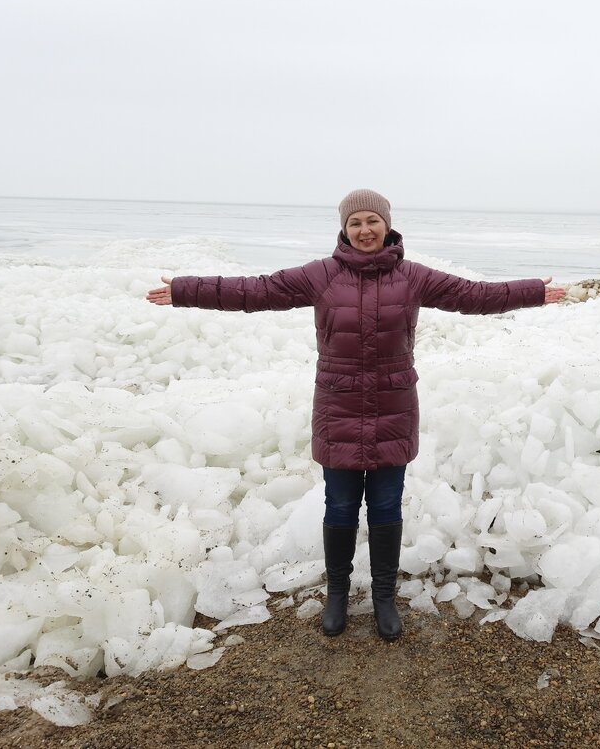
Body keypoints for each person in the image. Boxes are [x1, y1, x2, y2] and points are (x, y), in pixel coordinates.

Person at [147, 189, 565, 641]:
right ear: (344, 229)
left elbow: (475, 295)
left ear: (387, 225)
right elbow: (255, 290)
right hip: (338, 405)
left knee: (386, 505)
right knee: (341, 505)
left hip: (394, 404)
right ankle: (338, 594)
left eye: (372, 221)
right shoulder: (321, 276)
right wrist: (185, 290)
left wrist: (535, 292)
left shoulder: (414, 277)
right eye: (355, 223)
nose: (364, 230)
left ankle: (384, 596)